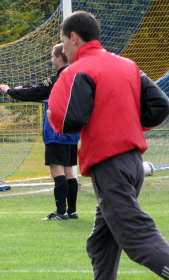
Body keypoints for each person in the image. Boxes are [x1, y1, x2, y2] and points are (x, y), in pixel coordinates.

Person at [47, 11, 169, 279]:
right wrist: (126, 122)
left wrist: (59, 118)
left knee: (138, 238)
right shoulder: (127, 65)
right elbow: (161, 105)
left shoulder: (77, 70)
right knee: (101, 243)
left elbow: (67, 119)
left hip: (110, 166)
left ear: (74, 38)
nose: (63, 48)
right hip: (133, 163)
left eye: (63, 41)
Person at [0, 43, 80, 221]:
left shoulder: (58, 78)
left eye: (52, 56)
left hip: (56, 131)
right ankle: (72, 211)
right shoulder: (74, 76)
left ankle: (60, 212)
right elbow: (39, 89)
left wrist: (10, 91)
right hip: (72, 131)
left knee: (57, 171)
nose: (51, 60)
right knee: (69, 172)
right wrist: (22, 89)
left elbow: (36, 92)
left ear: (59, 57)